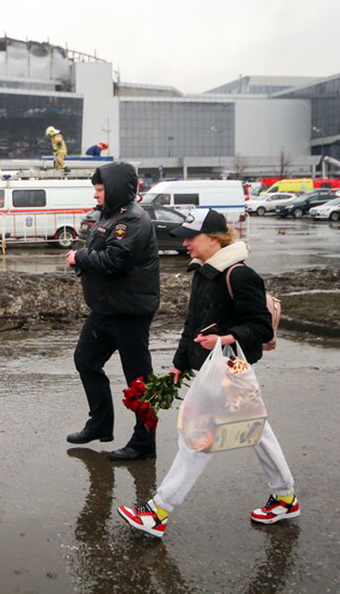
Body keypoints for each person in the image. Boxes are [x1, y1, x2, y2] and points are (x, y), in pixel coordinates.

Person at [117, 209, 298, 537]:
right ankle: (285, 496)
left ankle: (158, 511)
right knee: (257, 428)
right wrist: (178, 363)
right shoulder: (204, 272)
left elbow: (259, 326)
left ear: (214, 238)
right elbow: (192, 323)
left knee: (197, 436)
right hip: (216, 364)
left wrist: (224, 339)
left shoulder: (239, 275)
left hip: (229, 364)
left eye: (191, 237)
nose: (184, 242)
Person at [65, 161, 160, 461]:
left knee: (139, 382)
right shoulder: (108, 217)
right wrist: (84, 258)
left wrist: (79, 257)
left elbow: (113, 260)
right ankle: (101, 424)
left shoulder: (133, 220)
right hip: (105, 310)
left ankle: (144, 443)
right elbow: (100, 253)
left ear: (115, 190)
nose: (96, 196)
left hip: (130, 313)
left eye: (100, 190)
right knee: (85, 360)